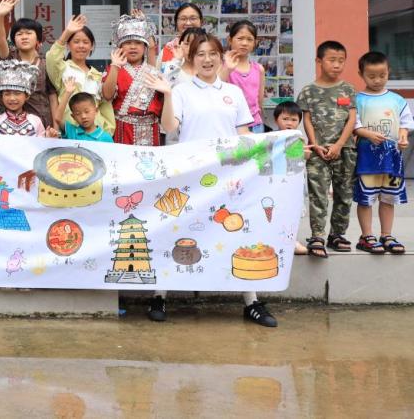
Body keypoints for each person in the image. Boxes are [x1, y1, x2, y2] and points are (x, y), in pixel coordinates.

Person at [144, 32, 276, 328]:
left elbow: (245, 136)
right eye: (200, 54)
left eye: (212, 54)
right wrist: (167, 95)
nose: (207, 60)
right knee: (176, 230)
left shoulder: (233, 92)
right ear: (192, 59)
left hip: (227, 177)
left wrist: (281, 149)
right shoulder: (180, 91)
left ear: (221, 57)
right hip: (190, 176)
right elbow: (170, 128)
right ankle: (159, 295)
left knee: (236, 233)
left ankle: (251, 301)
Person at [297, 40, 357, 257]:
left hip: (345, 150)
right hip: (318, 151)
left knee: (344, 193)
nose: (337, 65)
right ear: (319, 61)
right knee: (318, 194)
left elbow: (352, 119)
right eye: (332, 60)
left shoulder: (348, 89)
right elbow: (307, 119)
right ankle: (318, 236)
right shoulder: (308, 91)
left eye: (341, 61)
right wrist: (315, 145)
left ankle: (337, 234)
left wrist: (339, 144)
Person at [352, 51, 412, 255]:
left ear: (389, 72)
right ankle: (366, 236)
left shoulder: (397, 99)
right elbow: (353, 125)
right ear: (361, 74)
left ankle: (386, 235)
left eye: (382, 75)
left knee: (388, 198)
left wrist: (403, 137)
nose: (377, 80)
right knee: (366, 198)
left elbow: (405, 123)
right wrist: (367, 134)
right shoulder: (357, 100)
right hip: (367, 158)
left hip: (392, 158)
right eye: (371, 76)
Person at [101, 15, 163, 146]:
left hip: (151, 128)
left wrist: (145, 21)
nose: (133, 47)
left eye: (138, 43)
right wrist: (115, 66)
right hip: (124, 128)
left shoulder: (152, 70)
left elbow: (152, 48)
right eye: (128, 43)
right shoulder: (114, 69)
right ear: (120, 46)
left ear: (145, 47)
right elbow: (107, 95)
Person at [46, 14, 113, 134]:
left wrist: (107, 131)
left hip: (95, 135)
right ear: (68, 45)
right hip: (70, 132)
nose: (81, 46)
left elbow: (105, 106)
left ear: (91, 46)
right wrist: (67, 32)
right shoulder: (63, 68)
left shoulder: (97, 75)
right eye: (76, 42)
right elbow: (52, 58)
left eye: (85, 42)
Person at [0, 18, 56, 129]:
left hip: (41, 122)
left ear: (38, 38)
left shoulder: (45, 64)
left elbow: (52, 96)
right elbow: (1, 40)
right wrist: (0, 15)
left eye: (29, 33)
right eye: (19, 34)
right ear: (14, 40)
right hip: (9, 125)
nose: (24, 37)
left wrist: (56, 127)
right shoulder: (9, 59)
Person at [0, 60, 56, 137]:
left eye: (17, 93)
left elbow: (40, 145)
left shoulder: (35, 121)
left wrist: (49, 139)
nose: (12, 98)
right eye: (7, 94)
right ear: (1, 97)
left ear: (27, 96)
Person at [272, 100, 312, 256]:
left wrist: (304, 151)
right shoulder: (271, 137)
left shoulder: (298, 138)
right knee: (277, 212)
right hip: (276, 183)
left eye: (294, 120)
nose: (289, 123)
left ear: (299, 122)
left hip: (294, 183)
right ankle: (275, 239)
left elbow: (305, 157)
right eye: (285, 119)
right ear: (276, 119)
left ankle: (292, 240)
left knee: (293, 211)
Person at [222, 20, 266, 133]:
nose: (245, 43)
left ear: (255, 42)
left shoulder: (259, 69)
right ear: (230, 40)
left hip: (255, 124)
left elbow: (259, 101)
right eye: (240, 38)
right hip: (231, 125)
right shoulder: (223, 67)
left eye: (249, 39)